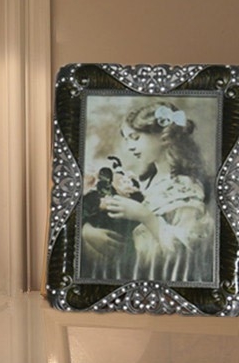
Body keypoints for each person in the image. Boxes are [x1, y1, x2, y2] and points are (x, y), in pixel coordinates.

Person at [80, 100, 214, 284]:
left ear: (165, 138)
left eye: (135, 138)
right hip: (127, 274)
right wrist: (86, 231)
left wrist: (146, 216)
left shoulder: (186, 187)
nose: (129, 146)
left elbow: (191, 251)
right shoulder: (144, 181)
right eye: (126, 139)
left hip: (160, 279)